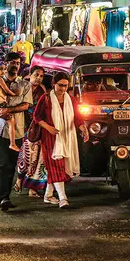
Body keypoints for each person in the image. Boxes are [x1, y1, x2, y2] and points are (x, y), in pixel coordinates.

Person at [0, 59, 32, 211]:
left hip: (15, 131)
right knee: (2, 163)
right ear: (6, 64)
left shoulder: (24, 85)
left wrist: (8, 111)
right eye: (13, 62)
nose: (15, 65)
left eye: (18, 63)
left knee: (11, 165)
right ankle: (2, 197)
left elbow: (26, 105)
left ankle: (6, 196)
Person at [33, 72, 89, 207]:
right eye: (60, 85)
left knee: (60, 166)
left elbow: (77, 117)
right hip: (50, 138)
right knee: (56, 165)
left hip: (67, 137)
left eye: (65, 86)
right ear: (53, 84)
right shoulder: (45, 98)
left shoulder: (71, 100)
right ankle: (63, 198)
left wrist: (83, 128)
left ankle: (48, 195)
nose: (63, 89)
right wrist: (48, 127)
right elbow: (36, 117)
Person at [15, 66, 48, 199]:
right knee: (25, 155)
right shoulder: (22, 87)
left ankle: (31, 187)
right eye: (36, 75)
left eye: (41, 76)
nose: (39, 78)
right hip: (22, 124)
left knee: (36, 157)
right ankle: (19, 179)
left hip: (36, 127)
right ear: (30, 75)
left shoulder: (42, 90)